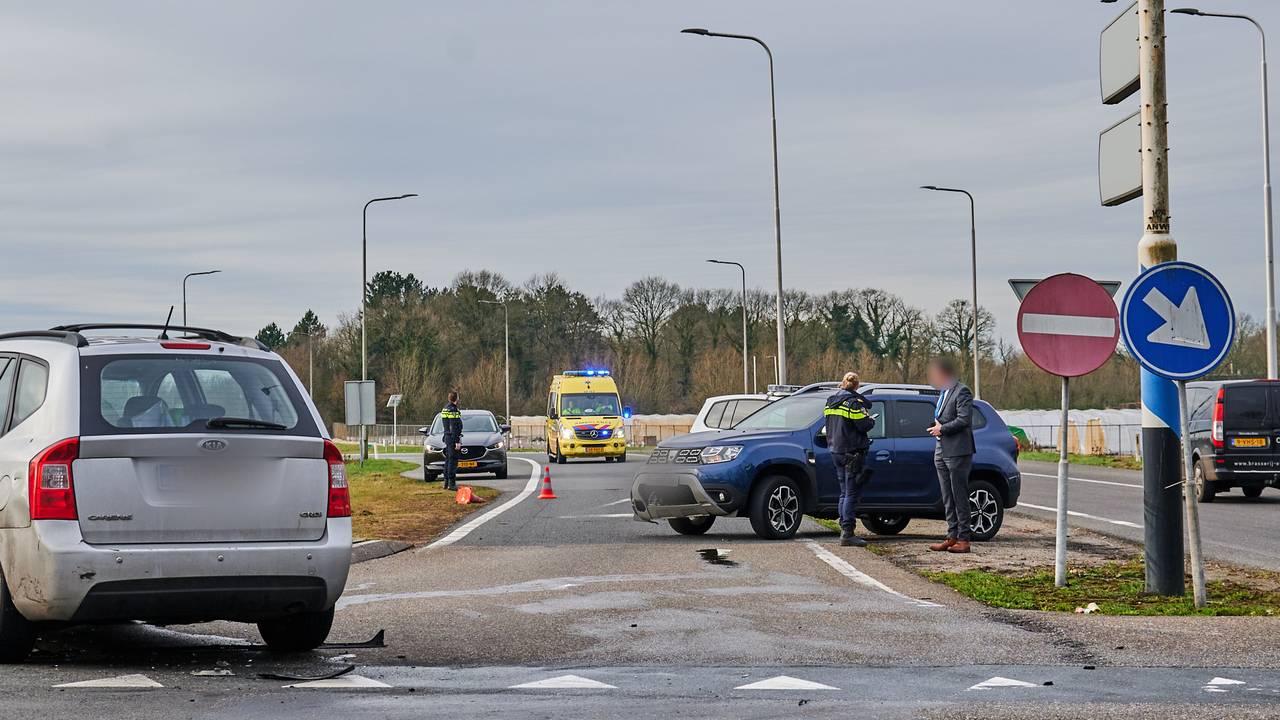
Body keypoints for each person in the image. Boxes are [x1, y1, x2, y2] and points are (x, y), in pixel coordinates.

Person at [926, 357, 976, 554]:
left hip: (957, 450)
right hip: (941, 448)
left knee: (959, 495)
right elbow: (943, 416)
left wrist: (942, 429)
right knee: (947, 496)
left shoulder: (962, 391)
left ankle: (964, 539)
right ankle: (952, 535)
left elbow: (964, 419)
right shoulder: (943, 392)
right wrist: (936, 427)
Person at [824, 372, 876, 547]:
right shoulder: (853, 403)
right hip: (851, 452)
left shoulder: (830, 401)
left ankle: (843, 528)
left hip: (835, 450)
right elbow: (864, 425)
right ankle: (848, 533)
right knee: (851, 493)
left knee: (844, 492)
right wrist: (870, 420)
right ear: (857, 385)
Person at [440, 390, 464, 491]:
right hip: (453, 437)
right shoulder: (453, 410)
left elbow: (447, 425)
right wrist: (457, 441)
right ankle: (451, 483)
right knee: (453, 461)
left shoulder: (445, 408)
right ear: (456, 398)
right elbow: (454, 426)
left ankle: (446, 482)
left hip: (447, 437)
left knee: (448, 460)